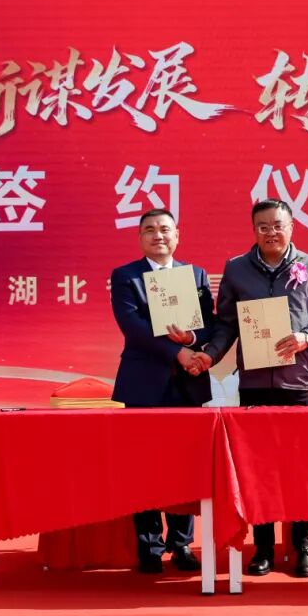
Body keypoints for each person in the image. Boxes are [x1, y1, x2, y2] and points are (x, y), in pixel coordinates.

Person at [191, 199, 308, 578]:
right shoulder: (236, 269)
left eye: (277, 225)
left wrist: (307, 336)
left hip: (300, 383)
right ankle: (262, 548)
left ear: (291, 227)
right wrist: (210, 354)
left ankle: (304, 545)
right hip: (255, 383)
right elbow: (226, 323)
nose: (271, 232)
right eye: (262, 227)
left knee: (302, 468)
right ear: (253, 230)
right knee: (258, 469)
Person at [110, 208, 215, 574]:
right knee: (143, 466)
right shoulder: (126, 276)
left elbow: (209, 323)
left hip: (187, 384)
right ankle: (149, 545)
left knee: (185, 466)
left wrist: (191, 339)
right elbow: (132, 326)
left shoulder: (196, 275)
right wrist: (177, 352)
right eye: (150, 230)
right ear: (140, 238)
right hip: (144, 384)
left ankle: (181, 544)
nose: (158, 235)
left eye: (165, 229)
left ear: (177, 235)